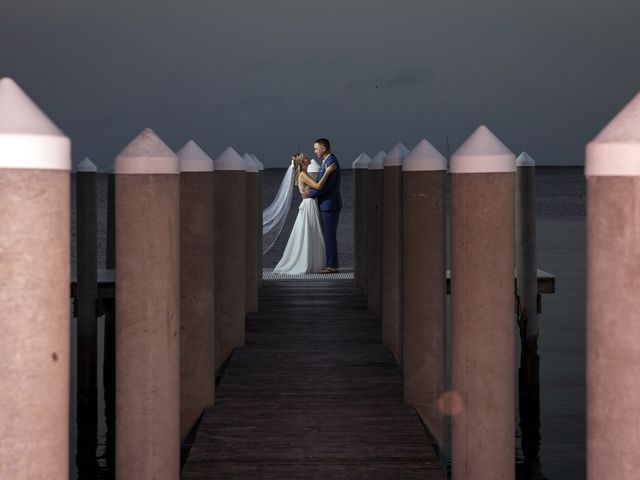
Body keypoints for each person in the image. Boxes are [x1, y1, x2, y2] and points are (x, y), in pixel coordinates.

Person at [273, 153, 336, 274]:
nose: (308, 158)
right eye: (306, 157)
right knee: (309, 232)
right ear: (302, 163)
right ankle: (306, 262)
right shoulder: (303, 174)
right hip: (308, 205)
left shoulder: (304, 174)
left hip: (310, 204)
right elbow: (318, 186)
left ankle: (313, 262)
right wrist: (327, 172)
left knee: (311, 232)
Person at [307, 138, 342, 273]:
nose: (314, 151)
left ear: (324, 148)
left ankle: (332, 266)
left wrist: (309, 194)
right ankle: (331, 263)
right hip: (327, 205)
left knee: (329, 235)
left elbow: (325, 187)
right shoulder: (327, 162)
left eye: (316, 148)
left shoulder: (331, 162)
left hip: (330, 205)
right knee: (328, 234)